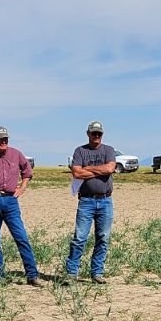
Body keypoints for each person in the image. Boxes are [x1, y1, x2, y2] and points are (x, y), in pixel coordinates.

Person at [0, 126, 43, 286]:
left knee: (21, 237)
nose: (4, 141)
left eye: (6, 138)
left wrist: (22, 188)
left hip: (10, 201)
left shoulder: (16, 154)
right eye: (0, 139)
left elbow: (27, 172)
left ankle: (32, 275)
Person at [66, 121, 117, 283]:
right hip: (86, 201)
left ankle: (97, 273)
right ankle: (71, 273)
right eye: (93, 133)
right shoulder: (80, 151)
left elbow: (109, 169)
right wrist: (97, 171)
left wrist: (86, 169)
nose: (96, 136)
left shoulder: (108, 150)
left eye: (99, 134)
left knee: (103, 237)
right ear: (88, 134)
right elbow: (76, 173)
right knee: (80, 238)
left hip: (105, 201)